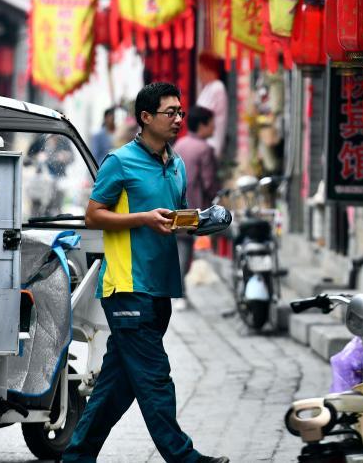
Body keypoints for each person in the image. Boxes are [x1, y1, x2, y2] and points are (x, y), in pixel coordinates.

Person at [63, 82, 228, 463]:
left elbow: (177, 216)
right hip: (127, 288)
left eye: (180, 112)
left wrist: (200, 223)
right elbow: (94, 215)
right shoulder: (120, 162)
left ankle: (77, 457)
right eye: (170, 112)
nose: (178, 119)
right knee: (155, 378)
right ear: (146, 117)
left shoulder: (177, 164)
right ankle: (184, 457)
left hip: (160, 287)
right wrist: (143, 218)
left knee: (117, 386)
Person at [173, 105, 220, 308]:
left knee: (180, 247)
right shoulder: (205, 149)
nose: (214, 127)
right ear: (202, 125)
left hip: (175, 202)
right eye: (211, 123)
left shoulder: (180, 144)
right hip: (194, 207)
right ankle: (180, 294)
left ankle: (179, 292)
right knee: (184, 249)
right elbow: (209, 183)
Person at [195, 53, 228, 159]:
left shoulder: (218, 87)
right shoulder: (207, 88)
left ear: (207, 69)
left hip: (211, 144)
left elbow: (202, 116)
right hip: (201, 144)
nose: (199, 74)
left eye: (200, 70)